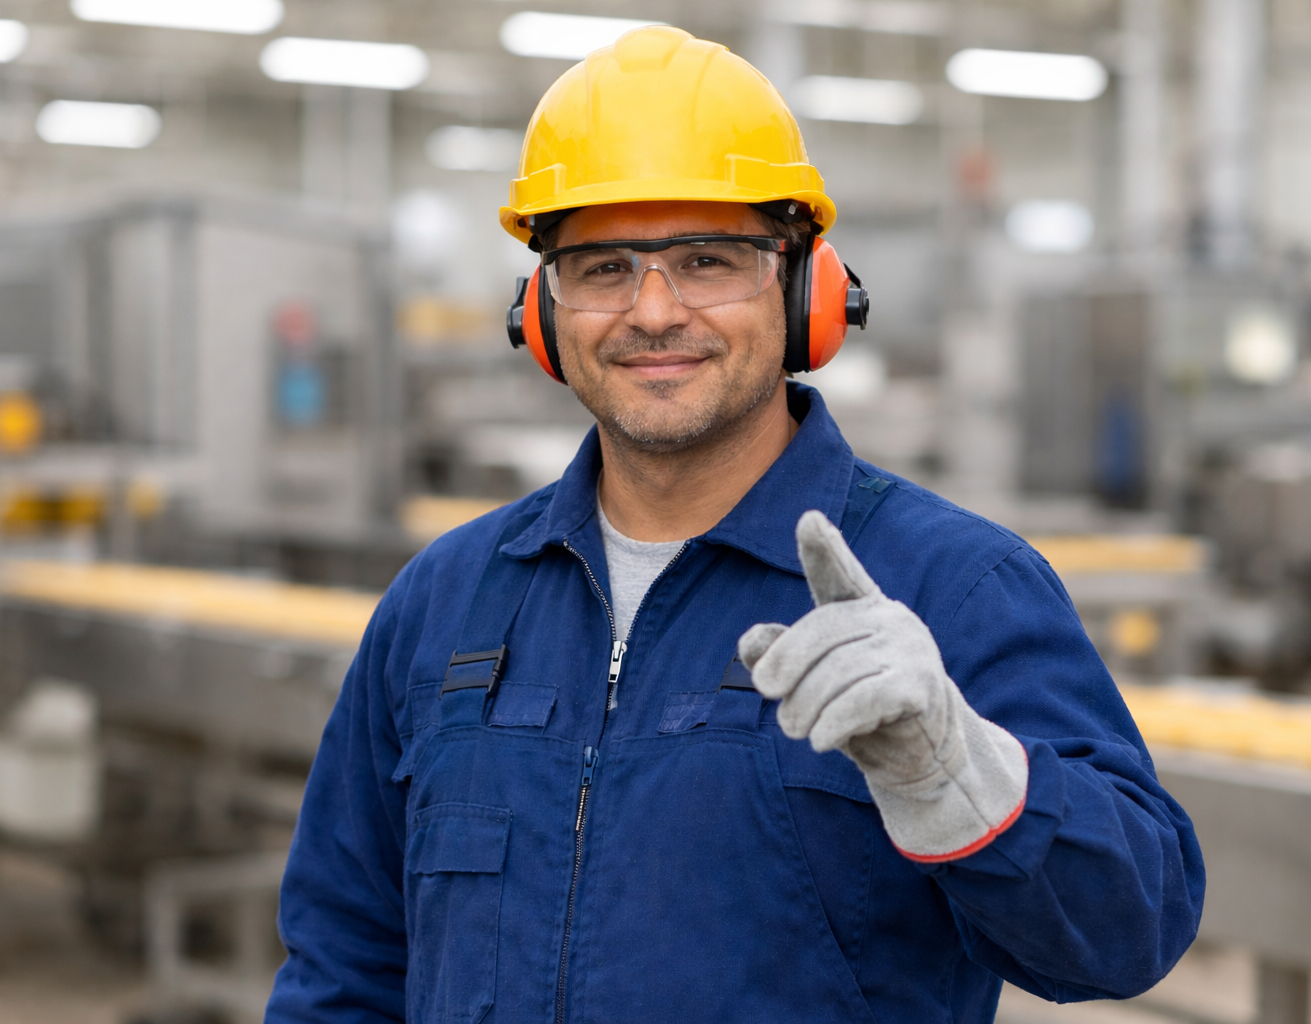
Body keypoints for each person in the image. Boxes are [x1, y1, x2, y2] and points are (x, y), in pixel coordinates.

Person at [266, 26, 1204, 1024]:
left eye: (710, 259)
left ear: (806, 292)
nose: (654, 310)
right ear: (540, 310)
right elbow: (345, 960)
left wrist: (970, 780)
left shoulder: (949, 584)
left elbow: (1132, 928)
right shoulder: (446, 600)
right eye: (602, 266)